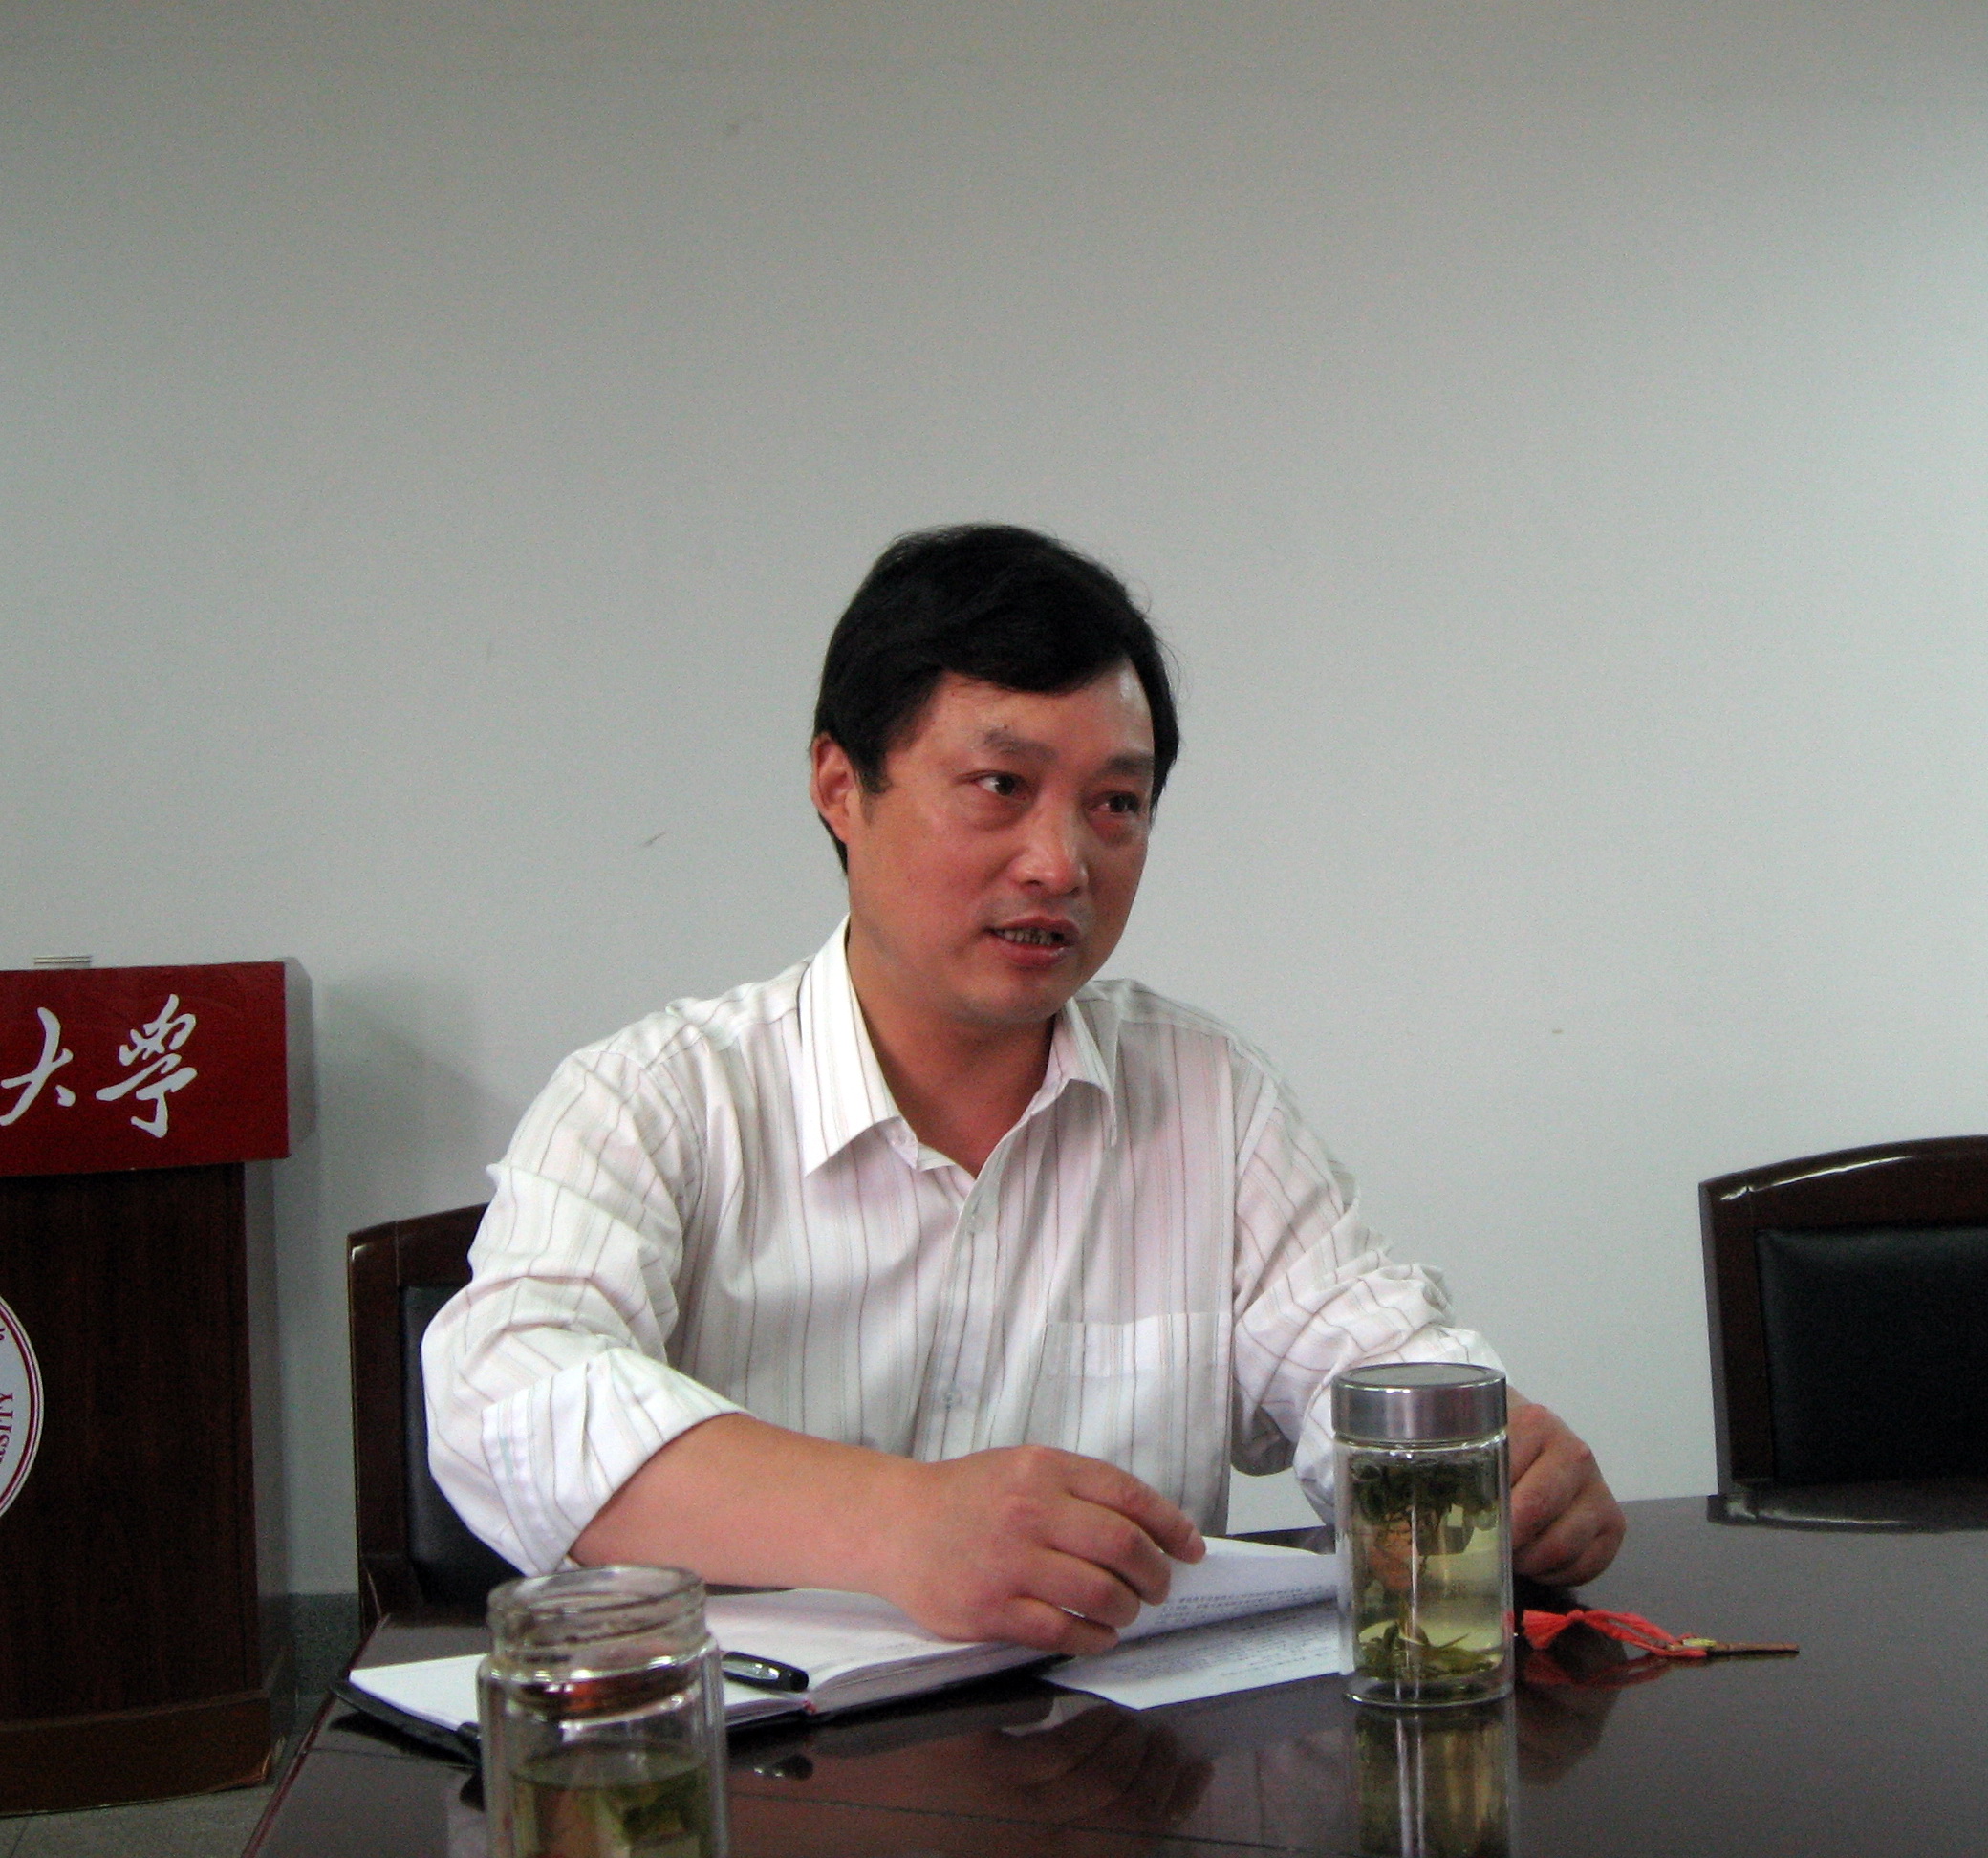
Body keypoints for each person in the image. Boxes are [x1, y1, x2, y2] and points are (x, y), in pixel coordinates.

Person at [423, 525, 1623, 1656]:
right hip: (764, 1767)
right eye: (1001, 785)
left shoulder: (1205, 1097)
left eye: (1115, 804)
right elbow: (508, 1398)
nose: (1061, 864)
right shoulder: (656, 1100)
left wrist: (1491, 1464)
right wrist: (895, 1523)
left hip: (1113, 1764)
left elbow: (1360, 1362)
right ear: (840, 786)